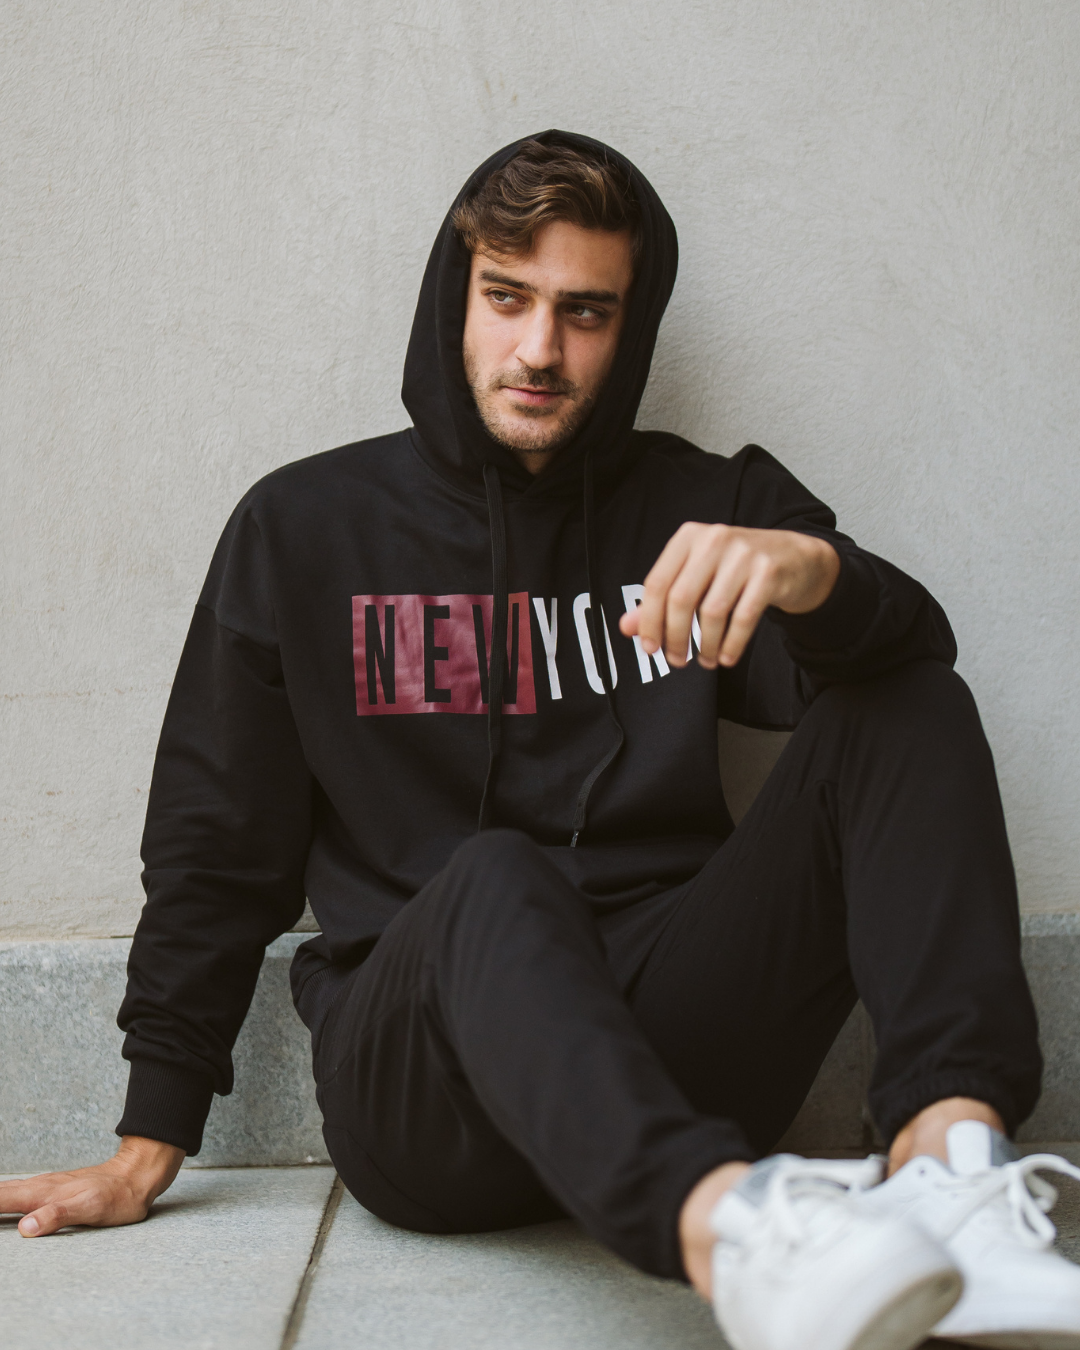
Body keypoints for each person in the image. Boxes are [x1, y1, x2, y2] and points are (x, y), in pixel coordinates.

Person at [3, 131, 1078, 1350]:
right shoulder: (304, 528)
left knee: (905, 693)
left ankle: (954, 1185)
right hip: (428, 1088)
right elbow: (216, 846)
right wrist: (148, 1141)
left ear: (632, 328)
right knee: (494, 873)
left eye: (585, 313)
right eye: (507, 298)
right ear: (452, 299)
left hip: (675, 1035)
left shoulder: (704, 505)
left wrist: (811, 571)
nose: (539, 351)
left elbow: (907, 665)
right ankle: (733, 1237)